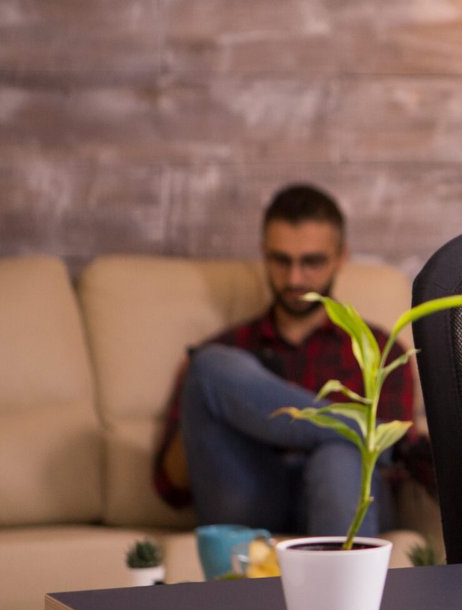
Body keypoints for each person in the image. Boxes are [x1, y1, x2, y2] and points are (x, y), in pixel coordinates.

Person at [152, 183, 421, 537]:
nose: (295, 278)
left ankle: (348, 439)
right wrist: (226, 415)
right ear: (264, 253)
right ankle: (363, 432)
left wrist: (309, 431)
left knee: (339, 458)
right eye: (281, 260)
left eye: (312, 261)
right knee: (208, 366)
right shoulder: (228, 349)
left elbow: (392, 479)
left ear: (341, 257)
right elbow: (169, 487)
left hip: (340, 493)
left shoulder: (380, 349)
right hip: (252, 497)